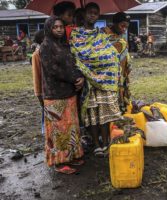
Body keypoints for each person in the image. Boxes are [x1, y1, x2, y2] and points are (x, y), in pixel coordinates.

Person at [70, 3, 122, 156]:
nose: (92, 15)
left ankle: (106, 142)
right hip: (88, 81)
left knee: (104, 113)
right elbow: (76, 54)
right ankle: (97, 145)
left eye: (95, 13)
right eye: (90, 12)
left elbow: (111, 54)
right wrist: (90, 66)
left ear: (98, 16)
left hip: (104, 80)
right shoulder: (76, 34)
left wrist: (102, 65)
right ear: (84, 14)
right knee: (92, 113)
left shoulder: (101, 34)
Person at [40, 16, 84, 174]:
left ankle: (71, 155)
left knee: (70, 127)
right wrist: (74, 78)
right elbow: (53, 70)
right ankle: (58, 162)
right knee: (57, 130)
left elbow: (73, 64)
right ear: (49, 29)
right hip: (54, 94)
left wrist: (80, 76)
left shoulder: (64, 45)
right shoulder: (45, 46)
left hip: (69, 92)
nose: (59, 29)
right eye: (55, 27)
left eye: (60, 27)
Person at [103, 12, 131, 112]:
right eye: (122, 26)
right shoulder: (102, 36)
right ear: (114, 23)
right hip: (107, 78)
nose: (124, 29)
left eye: (126, 27)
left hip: (120, 76)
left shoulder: (121, 39)